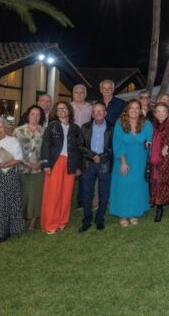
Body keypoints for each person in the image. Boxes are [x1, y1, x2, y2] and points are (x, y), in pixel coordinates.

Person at [40, 101, 82, 234]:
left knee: (66, 193)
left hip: (70, 163)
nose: (61, 111)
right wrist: (46, 163)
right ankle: (50, 224)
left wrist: (78, 166)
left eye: (64, 108)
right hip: (55, 162)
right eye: (58, 109)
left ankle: (62, 221)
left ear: (69, 110)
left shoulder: (75, 128)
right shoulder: (52, 126)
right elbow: (45, 145)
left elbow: (79, 148)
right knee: (53, 194)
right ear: (56, 113)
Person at [110, 99, 153, 227]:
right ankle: (123, 214)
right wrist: (123, 162)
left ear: (140, 110)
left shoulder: (146, 124)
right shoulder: (120, 123)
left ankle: (134, 213)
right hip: (123, 159)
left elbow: (149, 141)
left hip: (140, 161)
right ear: (127, 110)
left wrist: (148, 143)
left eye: (137, 108)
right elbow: (117, 144)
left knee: (137, 187)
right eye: (131, 108)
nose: (134, 110)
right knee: (123, 186)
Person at [78, 102, 113, 231]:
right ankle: (87, 220)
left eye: (101, 110)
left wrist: (101, 157)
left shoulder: (112, 128)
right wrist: (92, 155)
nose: (98, 113)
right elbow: (80, 145)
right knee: (87, 194)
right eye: (95, 111)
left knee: (104, 194)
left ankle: (99, 219)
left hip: (104, 164)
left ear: (105, 113)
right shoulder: (85, 127)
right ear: (92, 114)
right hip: (88, 163)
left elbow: (113, 148)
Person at [13, 105, 46, 231]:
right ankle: (21, 220)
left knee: (35, 196)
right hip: (21, 168)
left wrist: (41, 163)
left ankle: (33, 222)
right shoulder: (18, 131)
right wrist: (24, 162)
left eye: (38, 115)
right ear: (28, 116)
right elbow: (13, 149)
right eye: (33, 114)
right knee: (22, 195)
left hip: (38, 169)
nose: (35, 117)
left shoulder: (44, 131)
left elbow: (48, 151)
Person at [71, 84, 92, 209]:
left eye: (81, 92)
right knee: (71, 171)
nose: (79, 94)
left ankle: (81, 200)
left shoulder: (90, 108)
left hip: (86, 143)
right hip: (71, 143)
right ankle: (66, 199)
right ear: (73, 94)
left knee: (84, 172)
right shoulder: (68, 107)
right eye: (76, 92)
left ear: (85, 94)